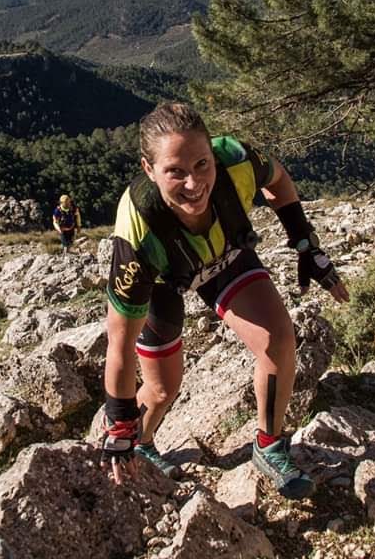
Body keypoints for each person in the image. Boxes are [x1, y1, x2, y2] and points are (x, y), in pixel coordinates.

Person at [100, 102, 349, 500]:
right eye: (175, 172)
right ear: (149, 170)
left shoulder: (235, 158)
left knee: (278, 341)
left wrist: (304, 242)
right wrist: (119, 424)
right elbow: (120, 343)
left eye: (202, 165)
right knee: (163, 389)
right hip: (163, 280)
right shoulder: (137, 232)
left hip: (223, 255)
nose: (194, 183)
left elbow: (279, 180)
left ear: (213, 154)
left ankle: (269, 446)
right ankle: (142, 441)